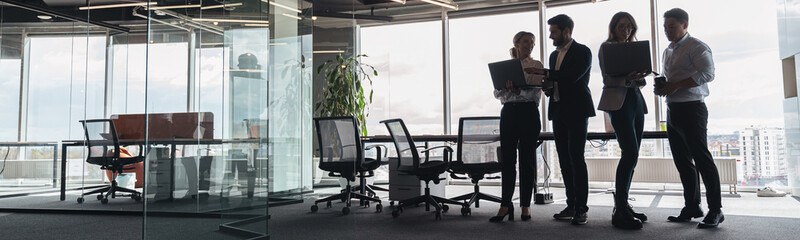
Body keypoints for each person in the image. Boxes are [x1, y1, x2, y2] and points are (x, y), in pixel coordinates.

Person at [655, 8, 723, 229]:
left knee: (702, 160)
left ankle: (716, 210)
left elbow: (708, 74)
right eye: (665, 27)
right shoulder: (667, 51)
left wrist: (675, 85)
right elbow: (672, 79)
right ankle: (693, 206)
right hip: (672, 109)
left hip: (693, 109)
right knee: (683, 162)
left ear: (685, 25)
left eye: (671, 27)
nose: (667, 31)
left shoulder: (697, 46)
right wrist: (663, 85)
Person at [530, 14, 595, 225]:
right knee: (565, 162)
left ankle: (581, 209)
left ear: (566, 31)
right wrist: (546, 86)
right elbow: (554, 83)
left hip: (577, 111)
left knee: (576, 159)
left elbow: (571, 77)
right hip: (558, 111)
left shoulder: (583, 51)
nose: (550, 36)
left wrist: (544, 72)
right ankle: (571, 204)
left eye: (553, 32)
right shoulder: (552, 56)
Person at [597, 12, 650, 230]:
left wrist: (640, 77)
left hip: (635, 101)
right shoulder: (607, 48)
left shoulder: (634, 47)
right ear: (614, 27)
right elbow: (607, 79)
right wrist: (627, 77)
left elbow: (639, 81)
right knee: (629, 152)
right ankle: (619, 211)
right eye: (622, 26)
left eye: (629, 27)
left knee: (634, 155)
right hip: (618, 103)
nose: (626, 30)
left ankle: (624, 205)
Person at [489, 31, 543, 223]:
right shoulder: (506, 67)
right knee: (508, 160)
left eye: (532, 42)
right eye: (526, 42)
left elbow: (537, 92)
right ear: (517, 44)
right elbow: (497, 93)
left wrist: (519, 91)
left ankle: (525, 205)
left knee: (527, 159)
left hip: (528, 112)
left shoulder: (536, 66)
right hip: (509, 113)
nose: (530, 45)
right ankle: (505, 204)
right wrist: (507, 88)